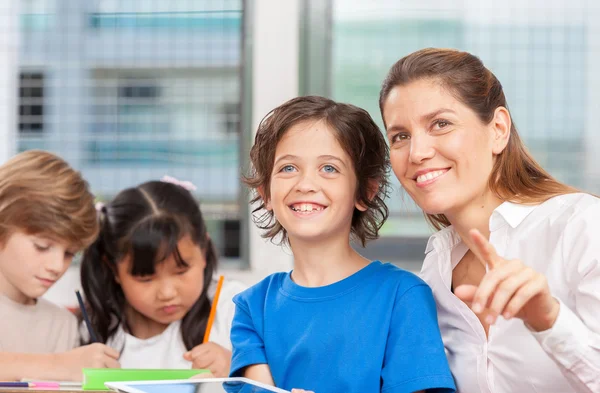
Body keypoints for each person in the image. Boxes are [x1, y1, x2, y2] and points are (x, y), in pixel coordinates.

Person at [380, 47, 600, 392]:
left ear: (498, 129)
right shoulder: (436, 266)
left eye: (440, 124)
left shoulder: (582, 225)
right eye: (400, 136)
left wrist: (548, 320)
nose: (417, 152)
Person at [230, 96, 456, 393]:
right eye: (287, 168)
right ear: (266, 194)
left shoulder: (403, 297)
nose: (306, 184)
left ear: (365, 192)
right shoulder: (251, 308)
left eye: (329, 169)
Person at [80, 178, 246, 377]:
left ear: (203, 250)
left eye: (181, 271)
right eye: (146, 278)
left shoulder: (235, 308)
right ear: (114, 270)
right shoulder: (100, 327)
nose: (167, 293)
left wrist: (240, 370)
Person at [0, 150, 120, 381]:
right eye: (42, 246)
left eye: (69, 253)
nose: (57, 266)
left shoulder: (62, 325)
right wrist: (56, 366)